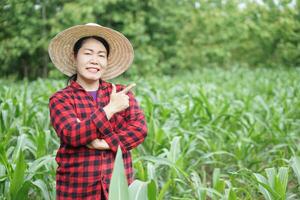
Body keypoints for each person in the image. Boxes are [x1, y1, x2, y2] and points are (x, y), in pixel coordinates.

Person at [48, 23, 148, 200]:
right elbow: (72, 134)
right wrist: (111, 109)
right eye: (87, 53)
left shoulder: (121, 93)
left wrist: (104, 143)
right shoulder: (61, 99)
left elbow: (139, 130)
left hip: (117, 188)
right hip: (77, 191)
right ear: (74, 57)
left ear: (107, 61)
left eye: (101, 55)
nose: (95, 60)